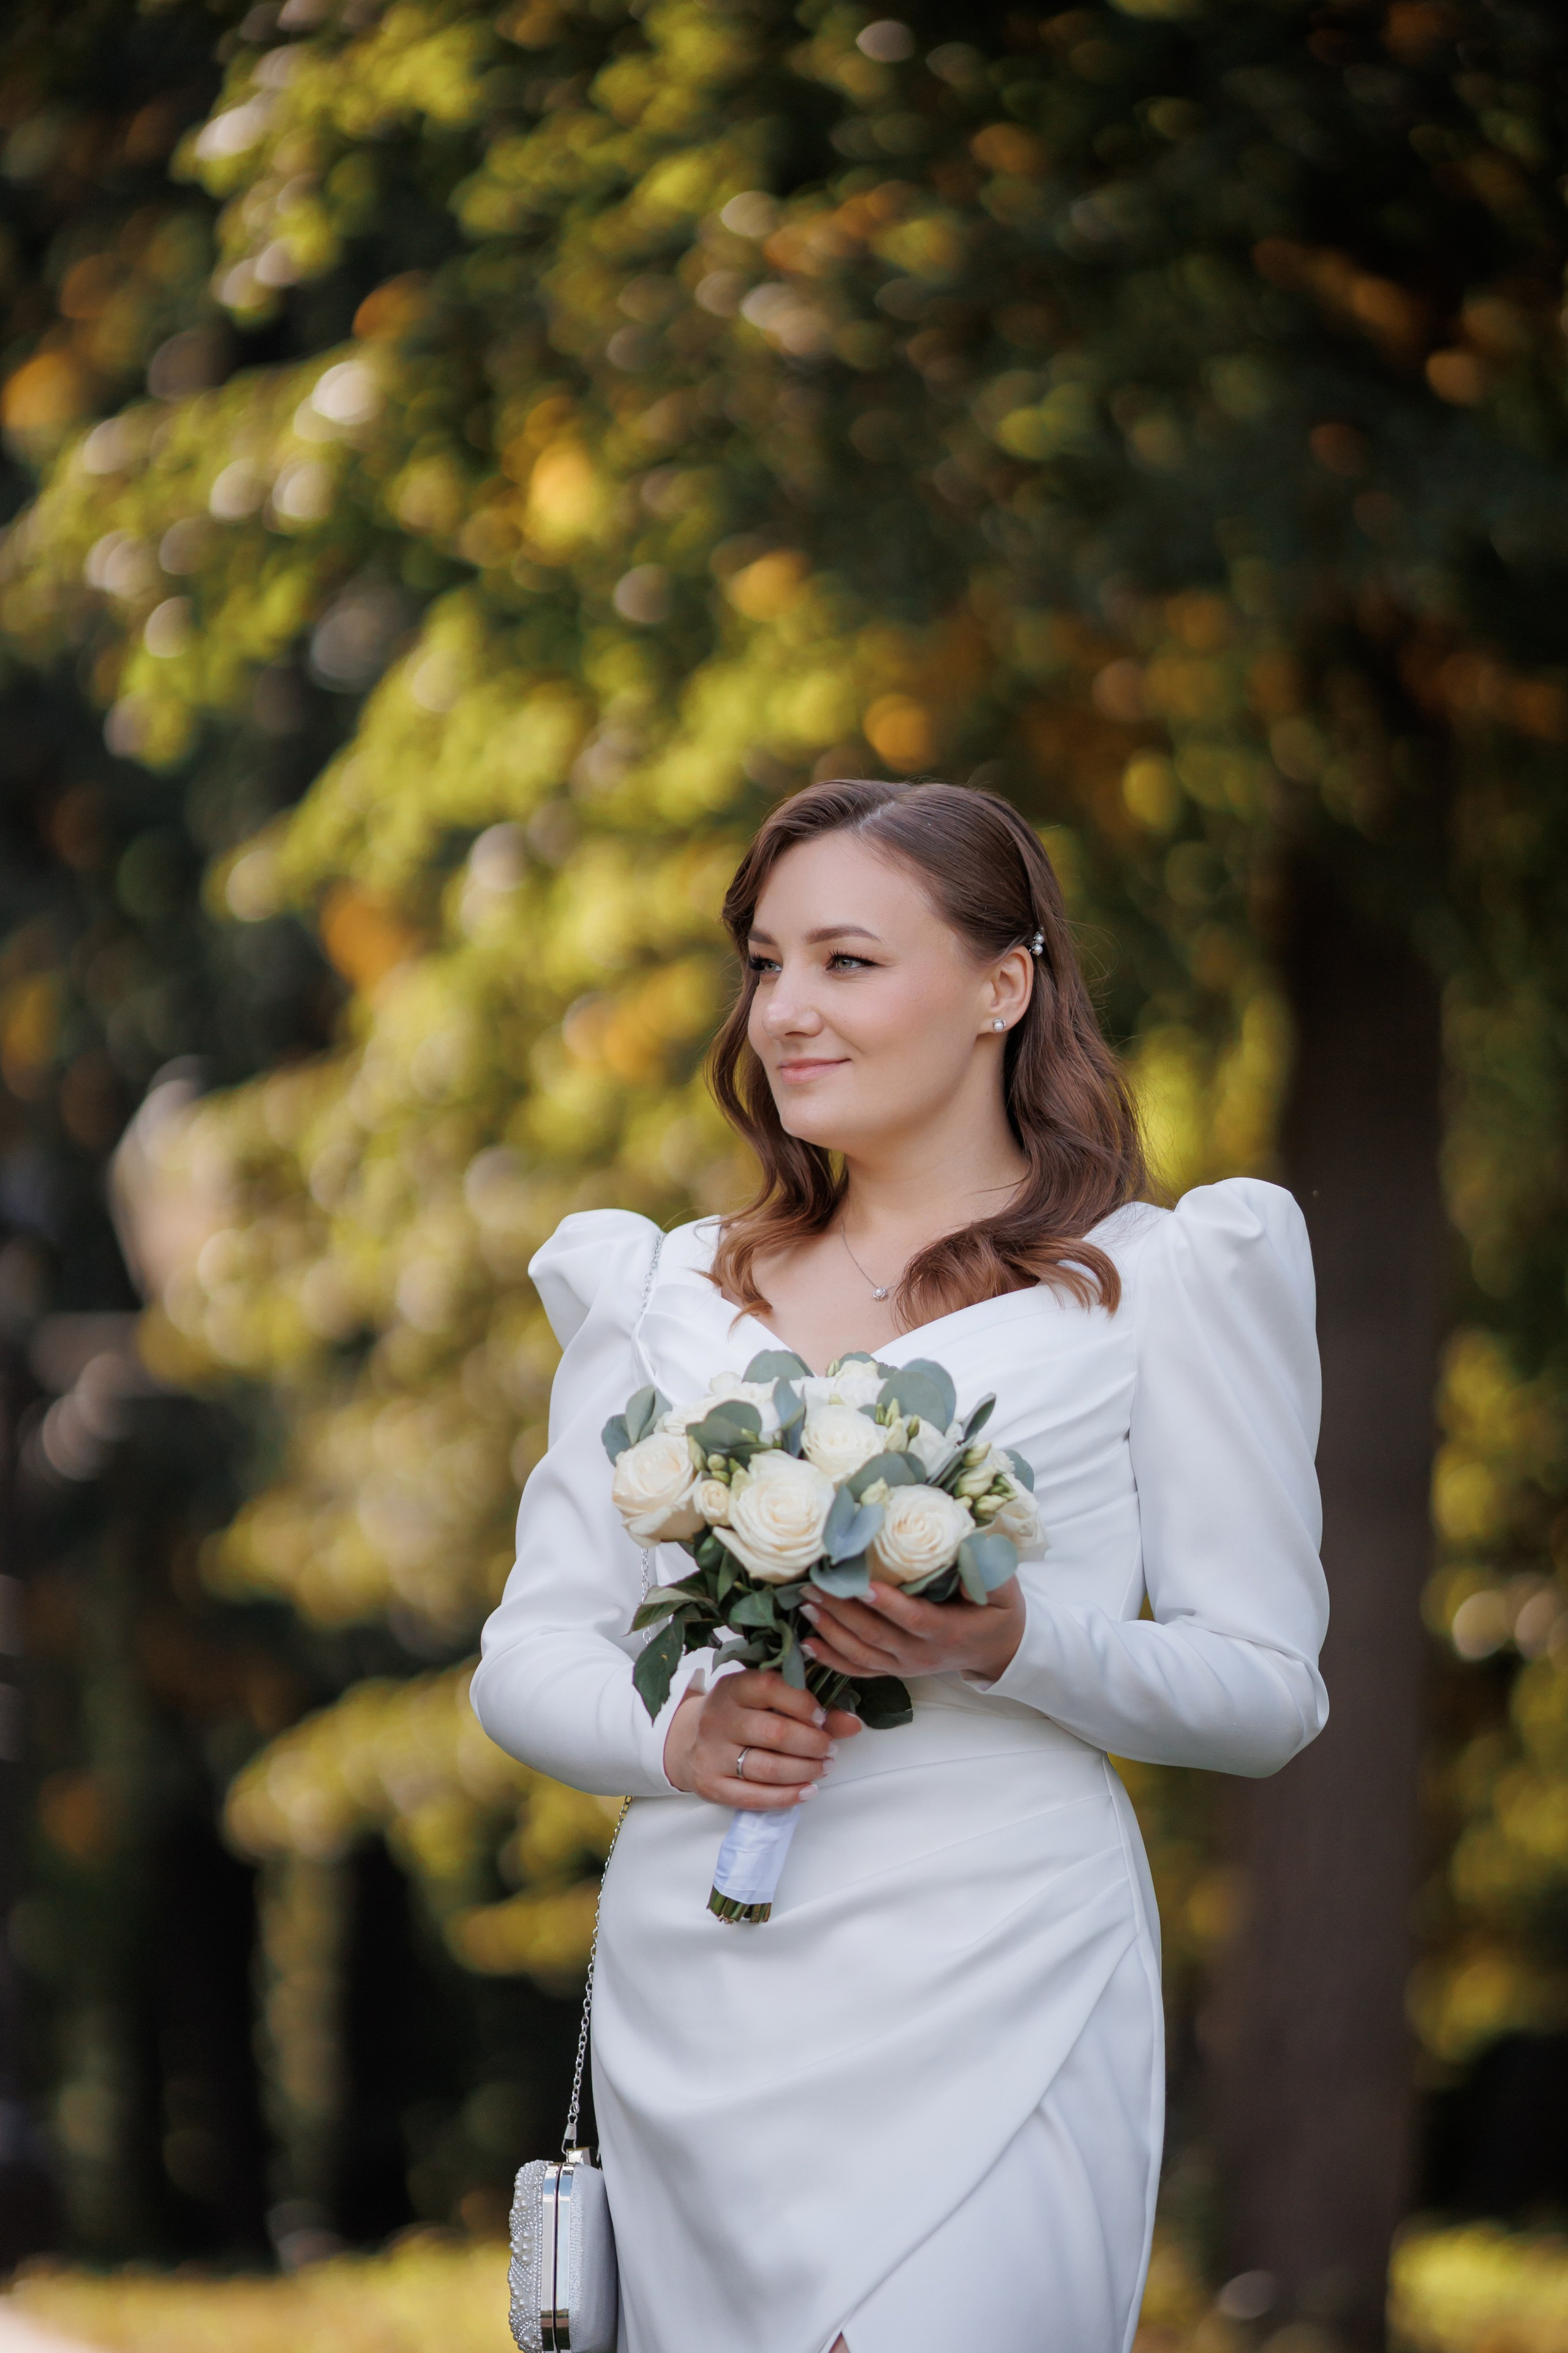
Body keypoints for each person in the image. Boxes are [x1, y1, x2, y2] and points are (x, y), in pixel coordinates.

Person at [471, 777, 1328, 2353]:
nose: (785, 1010)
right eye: (763, 961)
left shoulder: (1158, 1285)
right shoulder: (660, 1297)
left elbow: (1268, 1692)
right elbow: (527, 1658)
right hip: (705, 1987)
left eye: (845, 962)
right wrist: (670, 1737)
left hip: (1002, 1971)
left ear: (1004, 985)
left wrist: (1009, 1644)